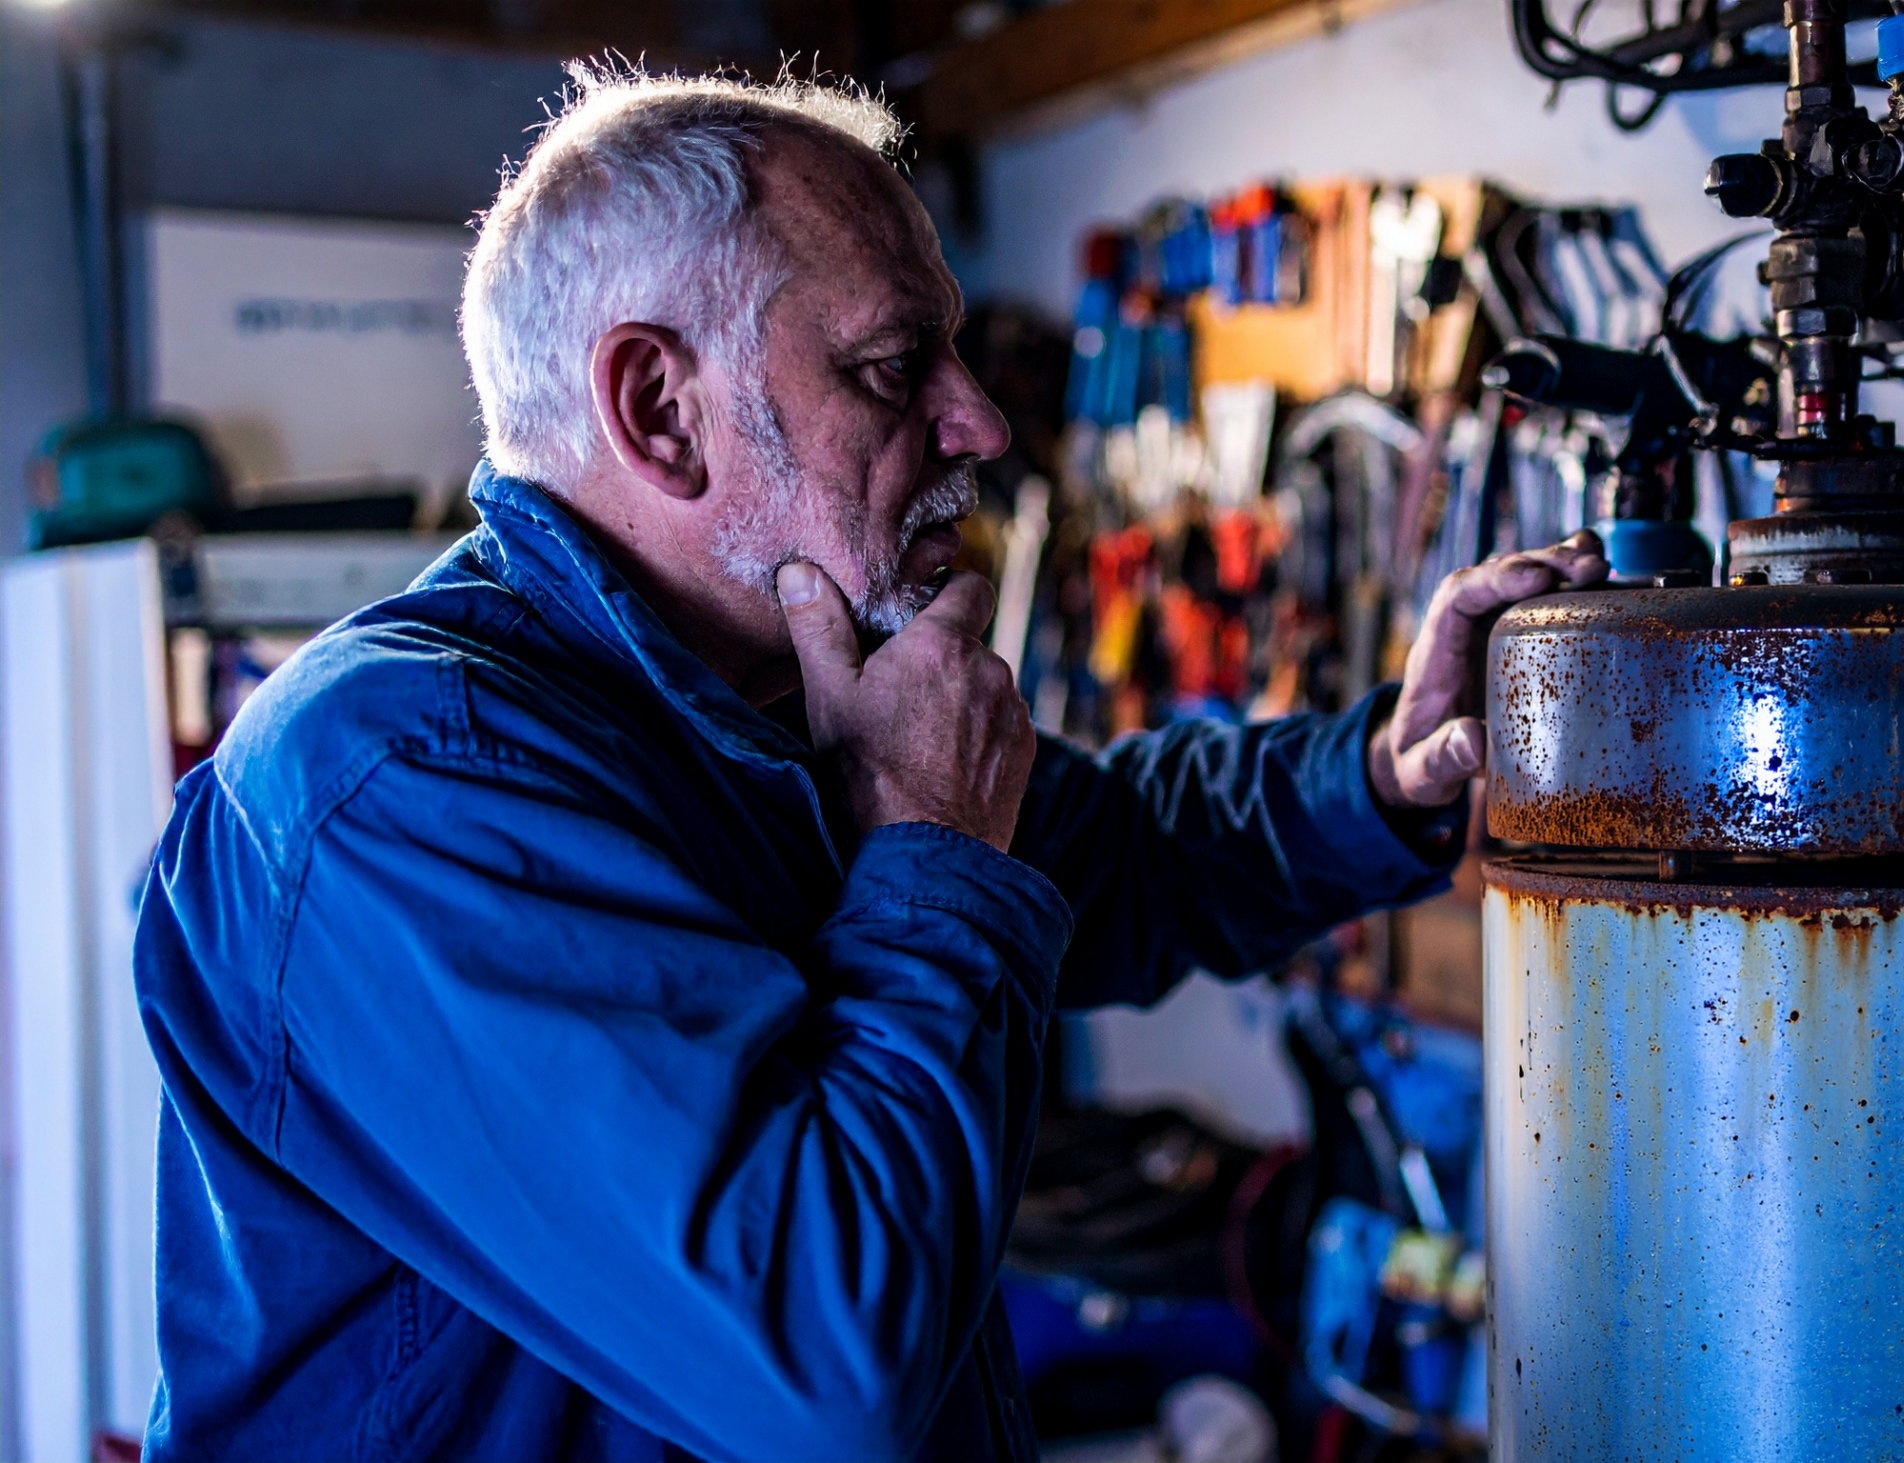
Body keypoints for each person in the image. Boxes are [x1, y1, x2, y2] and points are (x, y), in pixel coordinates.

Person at [133, 67, 1607, 1462]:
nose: (977, 422)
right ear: (659, 408)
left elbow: (1126, 852)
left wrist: (1384, 774)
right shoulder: (402, 785)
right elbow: (827, 1363)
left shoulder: (762, 689)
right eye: (897, 365)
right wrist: (931, 851)